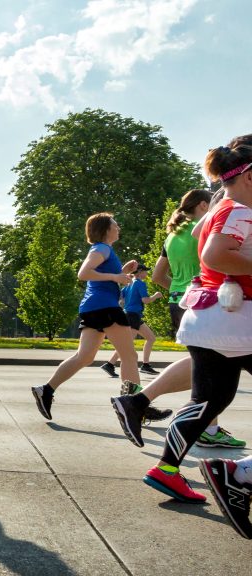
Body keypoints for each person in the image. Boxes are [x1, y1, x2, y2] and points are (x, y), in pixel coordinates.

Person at [136, 142, 252, 510]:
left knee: (211, 400)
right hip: (234, 321)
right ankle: (237, 475)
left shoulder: (221, 208)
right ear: (250, 177)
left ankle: (167, 468)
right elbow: (215, 255)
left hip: (211, 318)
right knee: (210, 399)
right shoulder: (240, 211)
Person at [111, 188, 244, 448]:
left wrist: (180, 289)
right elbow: (221, 259)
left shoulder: (173, 235)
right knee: (211, 363)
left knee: (210, 363)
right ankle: (140, 401)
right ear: (205, 205)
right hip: (209, 298)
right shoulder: (208, 226)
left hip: (182, 300)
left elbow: (159, 275)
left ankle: (206, 426)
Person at [30, 212, 141, 421]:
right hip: (105, 307)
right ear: (105, 229)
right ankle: (134, 405)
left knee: (85, 357)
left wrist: (122, 272)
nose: (118, 228)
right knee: (129, 356)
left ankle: (46, 390)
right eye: (115, 224)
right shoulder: (101, 248)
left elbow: (103, 279)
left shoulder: (104, 251)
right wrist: (116, 276)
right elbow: (83, 273)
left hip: (93, 307)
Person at [102, 265, 162, 375]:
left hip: (131, 315)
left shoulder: (129, 284)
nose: (147, 274)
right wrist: (156, 296)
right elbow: (145, 300)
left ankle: (145, 365)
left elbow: (120, 298)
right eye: (145, 271)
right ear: (139, 272)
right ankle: (110, 364)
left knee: (151, 338)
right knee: (127, 343)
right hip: (133, 316)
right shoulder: (140, 283)